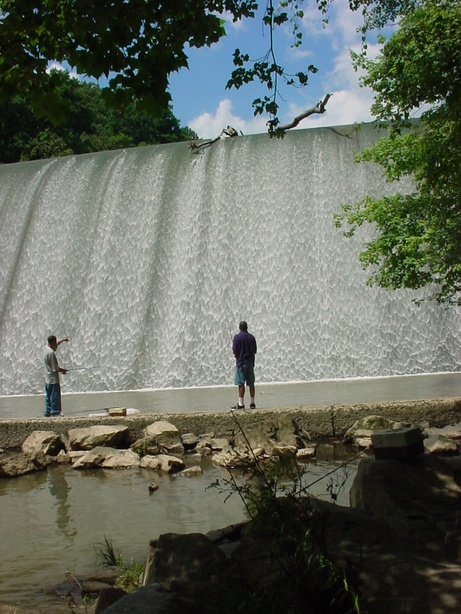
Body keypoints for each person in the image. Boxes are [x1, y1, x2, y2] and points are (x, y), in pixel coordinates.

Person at [231, 321, 257, 410]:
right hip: (250, 362)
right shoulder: (252, 337)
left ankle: (241, 404)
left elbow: (234, 350)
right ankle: (252, 403)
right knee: (251, 383)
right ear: (247, 327)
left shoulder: (237, 337)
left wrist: (237, 355)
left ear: (239, 328)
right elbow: (255, 350)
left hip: (241, 362)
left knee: (241, 384)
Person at [44, 335, 69, 417]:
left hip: (47, 379)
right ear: (52, 343)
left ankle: (48, 412)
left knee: (48, 396)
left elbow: (56, 345)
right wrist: (63, 370)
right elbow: (55, 368)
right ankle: (55, 412)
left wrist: (63, 340)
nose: (56, 345)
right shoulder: (51, 353)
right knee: (55, 396)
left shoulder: (46, 349)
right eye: (55, 343)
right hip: (53, 379)